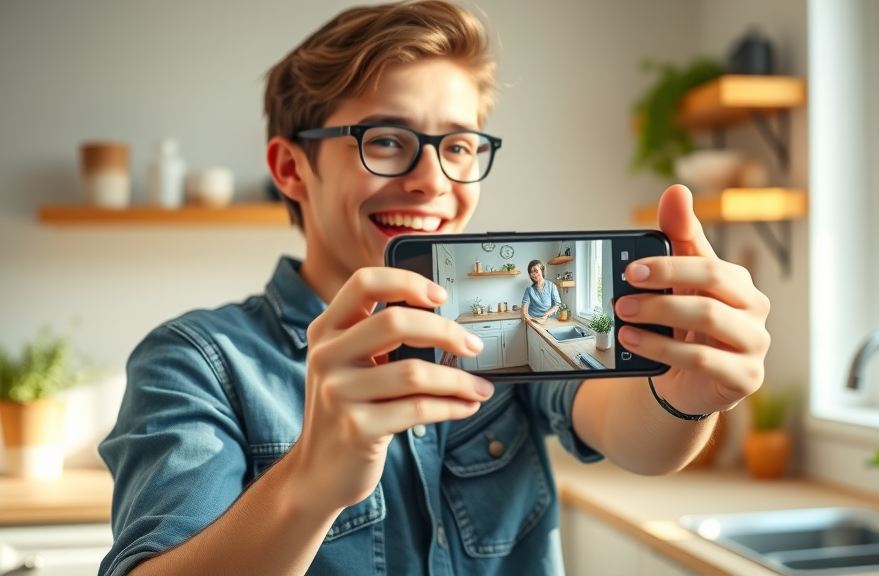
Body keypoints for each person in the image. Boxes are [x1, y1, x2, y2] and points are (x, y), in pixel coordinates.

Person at [98, 2, 771, 575]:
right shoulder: (194, 361)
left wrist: (684, 396)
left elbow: (634, 436)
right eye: (387, 141)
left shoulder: (496, 329)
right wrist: (310, 482)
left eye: (457, 147)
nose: (431, 180)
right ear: (292, 168)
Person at [521, 259, 560, 323]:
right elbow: (524, 305)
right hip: (533, 320)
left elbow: (557, 305)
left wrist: (545, 315)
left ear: (542, 270)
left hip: (548, 320)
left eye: (536, 271)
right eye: (531, 272)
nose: (534, 274)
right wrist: (525, 316)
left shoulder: (551, 286)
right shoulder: (529, 290)